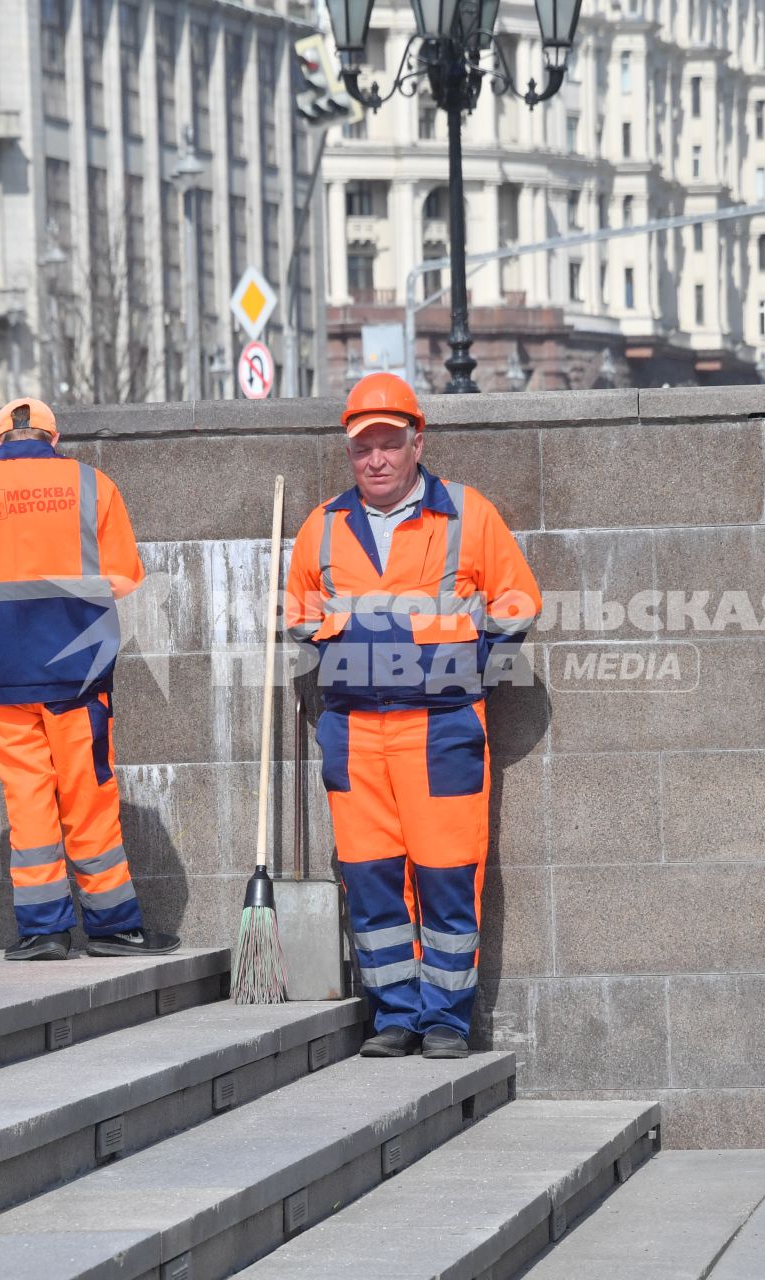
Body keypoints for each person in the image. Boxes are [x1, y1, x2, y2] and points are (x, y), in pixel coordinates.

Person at [283, 373, 541, 1059]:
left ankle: (446, 1022)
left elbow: (519, 601)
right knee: (370, 880)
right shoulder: (323, 526)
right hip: (354, 731)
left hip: (442, 730)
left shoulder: (466, 514)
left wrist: (463, 662)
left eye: (389, 444)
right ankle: (393, 1015)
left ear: (416, 441)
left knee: (448, 874)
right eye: (363, 447)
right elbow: (300, 616)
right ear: (349, 452)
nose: (376, 460)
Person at [0, 398, 178, 961]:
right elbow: (127, 579)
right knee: (87, 793)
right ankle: (112, 927)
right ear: (53, 439)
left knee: (27, 796)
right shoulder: (92, 485)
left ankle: (44, 930)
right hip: (76, 672)